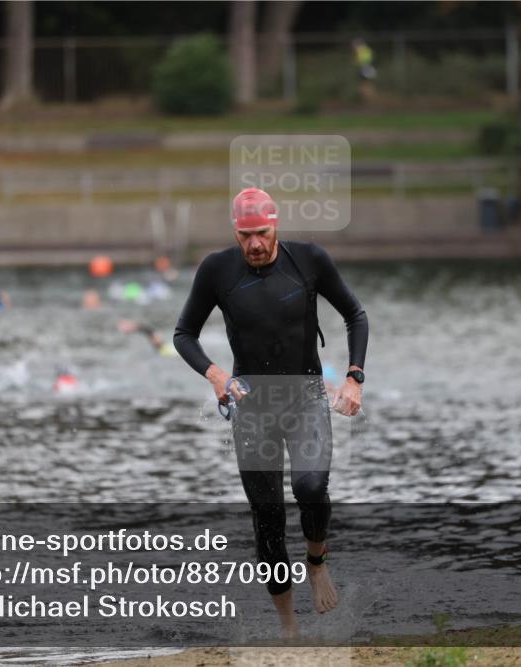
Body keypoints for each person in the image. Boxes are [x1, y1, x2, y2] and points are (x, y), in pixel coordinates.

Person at [173, 187, 368, 638]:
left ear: (275, 226)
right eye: (245, 236)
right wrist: (215, 375)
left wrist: (355, 376)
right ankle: (289, 629)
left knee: (311, 484)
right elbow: (184, 333)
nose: (254, 244)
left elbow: (355, 315)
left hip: (304, 396)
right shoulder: (217, 269)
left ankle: (316, 560)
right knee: (268, 518)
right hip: (251, 406)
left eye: (261, 233)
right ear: (235, 233)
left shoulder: (309, 260)